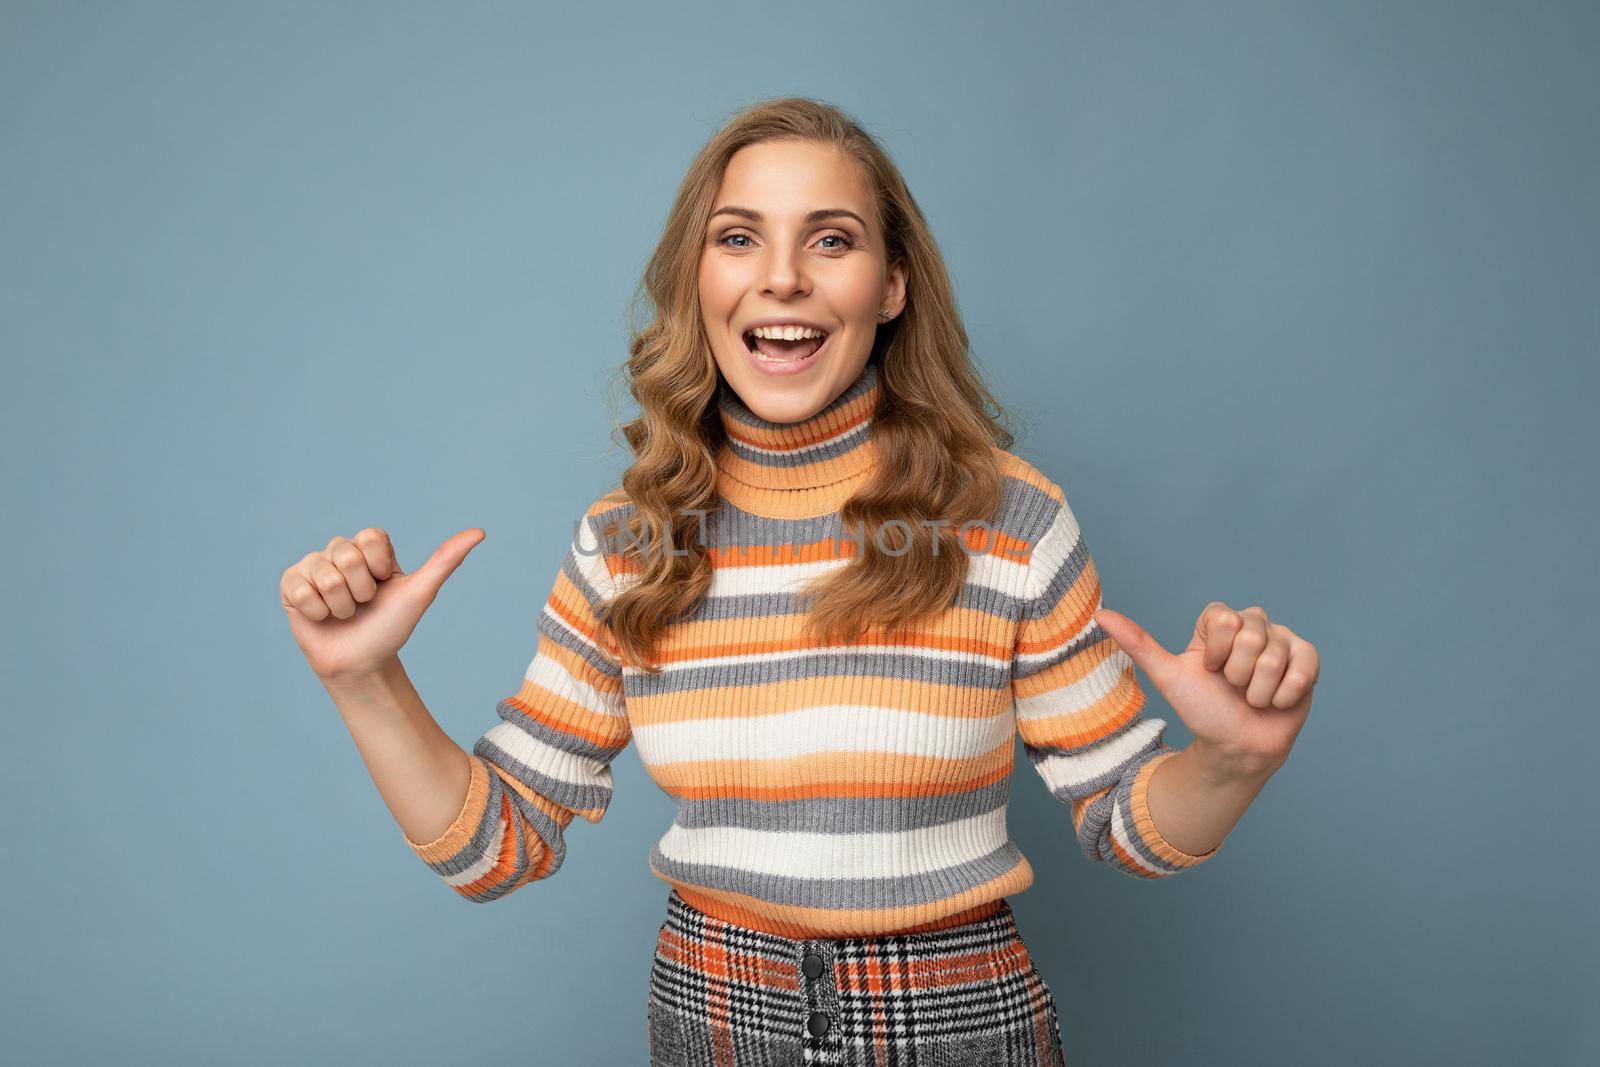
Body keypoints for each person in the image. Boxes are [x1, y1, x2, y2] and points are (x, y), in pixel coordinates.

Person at [279, 97, 1320, 1067]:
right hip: (710, 1015)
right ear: (700, 280)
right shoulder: (629, 544)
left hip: (961, 1020)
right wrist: (365, 681)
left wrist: (1232, 758)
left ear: (892, 284)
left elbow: (1129, 824)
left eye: (831, 238)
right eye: (739, 238)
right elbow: (491, 847)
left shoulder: (1008, 519)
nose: (781, 276)